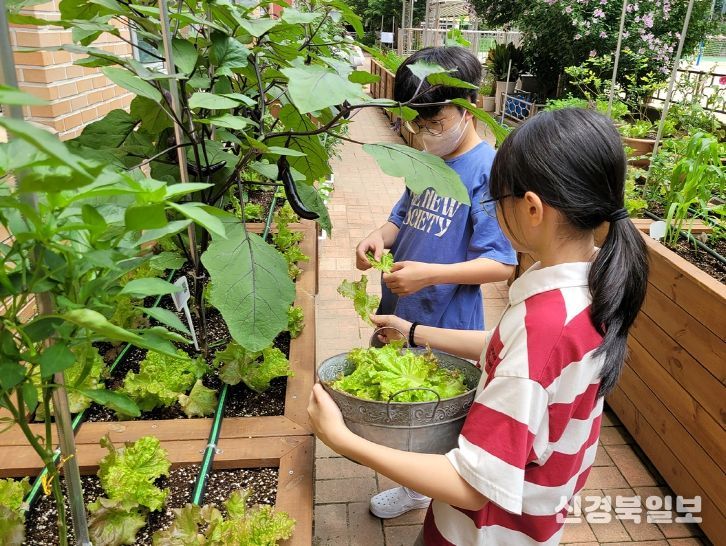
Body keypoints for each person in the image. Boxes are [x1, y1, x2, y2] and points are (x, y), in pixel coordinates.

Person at [311, 108, 649, 545]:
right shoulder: (586, 285)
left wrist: (343, 440)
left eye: (496, 201)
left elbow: (472, 484)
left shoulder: (544, 329)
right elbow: (505, 348)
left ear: (532, 208)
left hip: (483, 534)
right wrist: (411, 331)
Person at [356, 46, 517, 518]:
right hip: (402, 308)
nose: (425, 133)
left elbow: (500, 263)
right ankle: (415, 480)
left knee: (429, 408)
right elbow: (401, 216)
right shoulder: (427, 161)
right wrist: (377, 236)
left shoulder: (487, 172)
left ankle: (420, 488)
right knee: (403, 396)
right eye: (418, 124)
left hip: (445, 321)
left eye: (435, 122)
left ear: (469, 108)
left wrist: (431, 275)